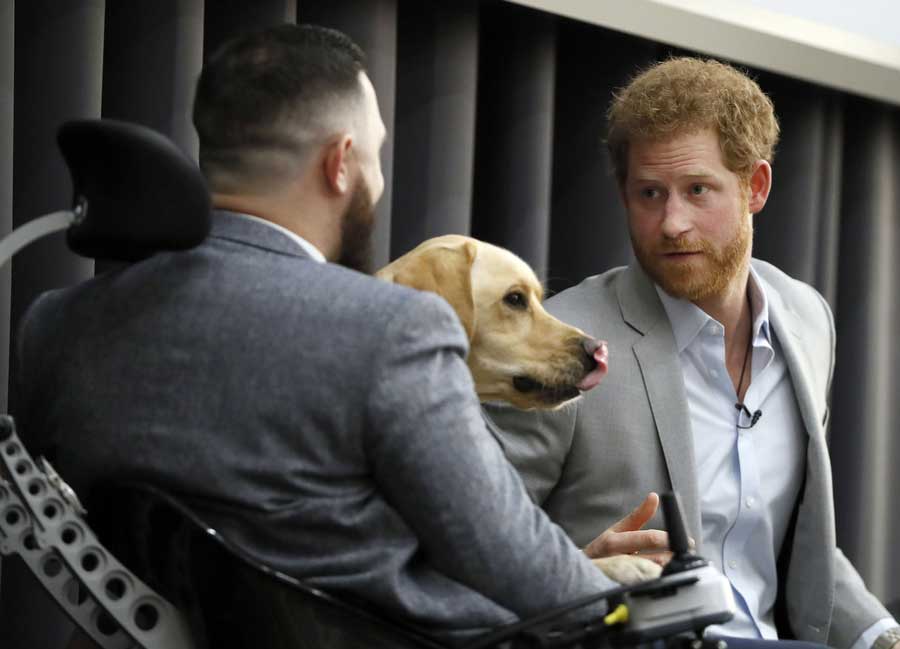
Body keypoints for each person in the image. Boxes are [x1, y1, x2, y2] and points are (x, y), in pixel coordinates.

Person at [12, 24, 641, 645]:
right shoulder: (392, 329)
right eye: (376, 154)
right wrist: (626, 601)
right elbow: (502, 553)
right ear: (341, 164)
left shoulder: (54, 324)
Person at [484, 57, 900, 649]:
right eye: (649, 194)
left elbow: (798, 539)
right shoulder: (562, 340)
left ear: (755, 186)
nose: (672, 223)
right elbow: (464, 556)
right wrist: (572, 575)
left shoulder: (807, 319)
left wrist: (881, 636)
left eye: (698, 190)